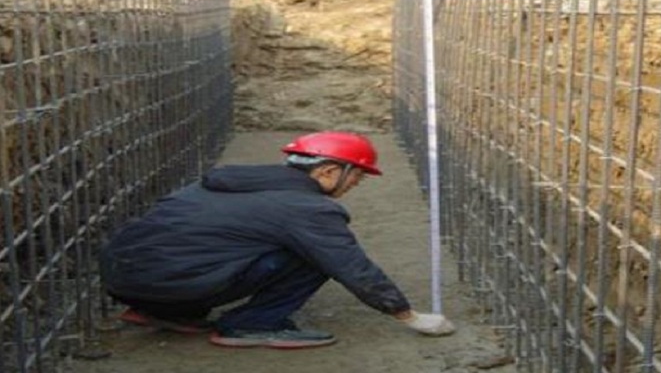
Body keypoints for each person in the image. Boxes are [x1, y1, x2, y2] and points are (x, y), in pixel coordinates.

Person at [100, 131, 455, 349]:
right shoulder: (306, 208)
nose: (353, 188)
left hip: (122, 281)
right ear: (329, 171)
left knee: (214, 247)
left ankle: (160, 312)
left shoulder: (230, 181)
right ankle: (251, 325)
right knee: (315, 255)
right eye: (355, 179)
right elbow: (351, 266)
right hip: (174, 284)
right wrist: (407, 315)